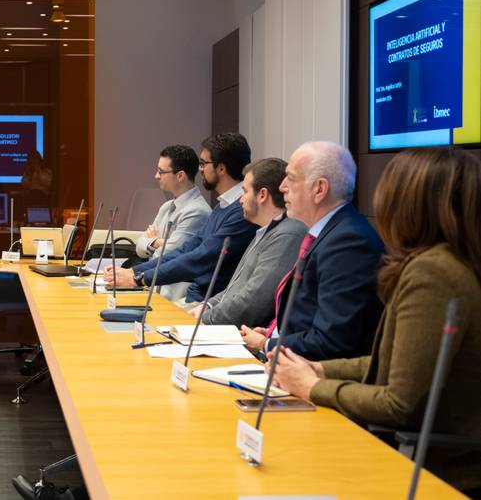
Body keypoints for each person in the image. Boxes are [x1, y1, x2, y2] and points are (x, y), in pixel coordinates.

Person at [269, 148, 481, 496]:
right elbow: (394, 363)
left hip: (430, 472)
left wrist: (311, 387)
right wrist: (320, 370)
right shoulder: (446, 263)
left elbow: (398, 404)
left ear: (408, 202)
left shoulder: (433, 273)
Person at [241, 141, 383, 360]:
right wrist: (274, 333)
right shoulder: (328, 233)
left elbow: (332, 341)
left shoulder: (348, 243)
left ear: (319, 189)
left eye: (291, 178)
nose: (282, 187)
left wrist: (267, 344)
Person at [104, 133, 257, 304]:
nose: (200, 169)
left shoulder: (239, 212)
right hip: (196, 296)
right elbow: (186, 249)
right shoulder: (221, 206)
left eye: (203, 164)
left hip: (208, 303)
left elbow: (200, 257)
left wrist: (138, 278)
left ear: (221, 168)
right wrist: (134, 272)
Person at [191, 158, 306, 327]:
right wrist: (207, 305)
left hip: (246, 338)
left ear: (262, 195)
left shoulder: (288, 234)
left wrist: (206, 318)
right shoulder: (265, 229)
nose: (240, 200)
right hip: (227, 326)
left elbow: (253, 303)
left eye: (244, 192)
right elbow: (236, 287)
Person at [133, 145, 211, 300]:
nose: (156, 176)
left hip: (174, 296)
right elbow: (139, 247)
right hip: (153, 289)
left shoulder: (197, 211)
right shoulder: (166, 207)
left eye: (161, 171)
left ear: (180, 175)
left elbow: (166, 257)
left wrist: (151, 242)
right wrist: (157, 243)